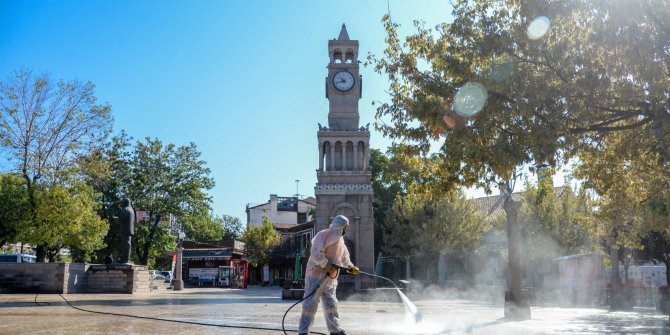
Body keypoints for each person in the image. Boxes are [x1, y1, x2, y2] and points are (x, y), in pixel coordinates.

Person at [299, 215, 360, 335]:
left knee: (331, 304)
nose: (346, 229)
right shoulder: (323, 235)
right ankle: (303, 332)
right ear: (341, 226)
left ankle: (335, 330)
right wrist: (327, 266)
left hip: (330, 279)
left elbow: (344, 257)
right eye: (346, 226)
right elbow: (316, 253)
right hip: (315, 276)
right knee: (309, 305)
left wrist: (351, 267)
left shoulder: (340, 241)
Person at [117, 198, 135, 263]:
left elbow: (121, 219)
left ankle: (125, 259)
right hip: (130, 229)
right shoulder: (131, 210)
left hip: (125, 229)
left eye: (122, 202)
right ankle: (126, 258)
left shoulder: (125, 209)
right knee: (127, 244)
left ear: (125, 203)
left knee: (125, 244)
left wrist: (119, 212)